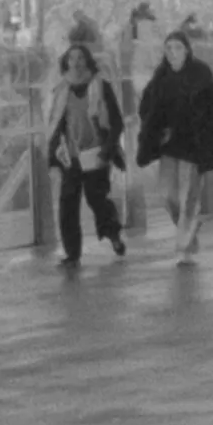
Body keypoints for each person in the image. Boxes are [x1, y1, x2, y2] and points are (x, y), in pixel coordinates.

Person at [135, 27, 213, 260]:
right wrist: (156, 132)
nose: (172, 52)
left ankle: (184, 246)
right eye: (168, 48)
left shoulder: (201, 75)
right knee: (167, 194)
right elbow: (146, 107)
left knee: (188, 197)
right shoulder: (161, 77)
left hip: (194, 145)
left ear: (187, 50)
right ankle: (188, 229)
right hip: (170, 145)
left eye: (177, 47)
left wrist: (209, 138)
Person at [46, 39, 127, 264]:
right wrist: (53, 156)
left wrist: (108, 150)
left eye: (81, 58)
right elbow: (55, 124)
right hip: (71, 155)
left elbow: (116, 122)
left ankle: (113, 234)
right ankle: (72, 253)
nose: (76, 62)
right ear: (65, 63)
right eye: (71, 58)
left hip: (96, 154)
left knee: (97, 199)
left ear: (88, 62)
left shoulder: (101, 86)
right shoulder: (61, 90)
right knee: (67, 204)